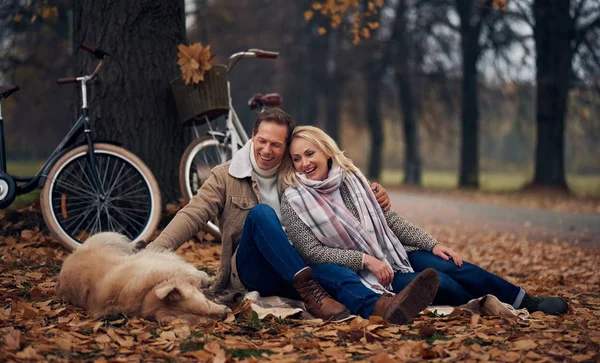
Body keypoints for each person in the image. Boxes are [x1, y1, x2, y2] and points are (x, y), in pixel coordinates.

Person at [146, 108, 439, 324]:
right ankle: (311, 291)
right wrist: (150, 255)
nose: (266, 150)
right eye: (262, 140)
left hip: (302, 266)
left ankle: (382, 308)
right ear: (252, 137)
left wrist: (377, 195)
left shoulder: (298, 173)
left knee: (338, 274)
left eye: (276, 144)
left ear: (286, 146)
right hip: (253, 269)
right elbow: (193, 215)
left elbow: (341, 190)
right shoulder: (226, 176)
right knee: (261, 214)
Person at [279, 125, 569, 317]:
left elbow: (389, 220)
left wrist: (433, 244)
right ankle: (487, 303)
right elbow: (312, 253)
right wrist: (365, 260)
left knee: (455, 265)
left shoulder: (352, 180)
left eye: (309, 153)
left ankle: (525, 301)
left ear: (327, 151)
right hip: (363, 272)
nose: (304, 163)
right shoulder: (294, 200)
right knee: (440, 281)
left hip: (394, 254)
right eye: (296, 159)